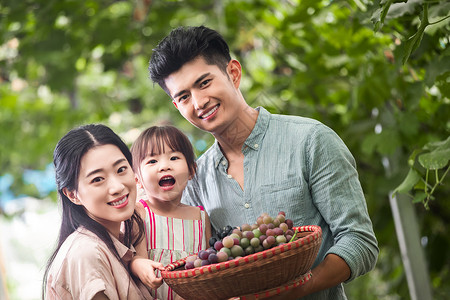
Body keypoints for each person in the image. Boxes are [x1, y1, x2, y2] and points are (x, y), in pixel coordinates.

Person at [148, 25, 379, 299]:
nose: (198, 102)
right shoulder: (194, 179)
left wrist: (296, 289)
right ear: (177, 106)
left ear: (233, 73)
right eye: (183, 96)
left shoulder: (310, 140)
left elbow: (360, 242)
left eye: (204, 83)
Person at [42, 124, 161, 299]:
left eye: (121, 169)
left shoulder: (121, 240)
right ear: (72, 194)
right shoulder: (87, 253)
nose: (117, 187)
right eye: (98, 179)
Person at [129, 125, 212, 299]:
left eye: (174, 157)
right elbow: (136, 259)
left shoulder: (201, 218)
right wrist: (139, 266)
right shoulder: (140, 213)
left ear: (191, 170)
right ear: (137, 179)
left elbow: (208, 265)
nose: (164, 166)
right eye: (152, 161)